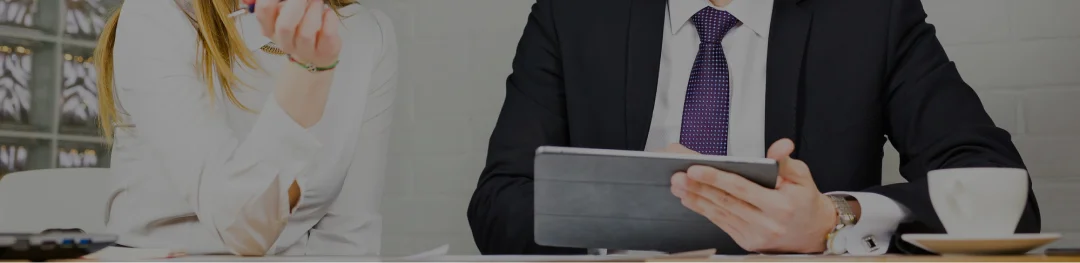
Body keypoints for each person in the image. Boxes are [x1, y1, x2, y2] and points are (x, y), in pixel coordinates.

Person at [468, 0, 1040, 255]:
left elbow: (998, 189)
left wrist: (835, 220)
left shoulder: (871, 13)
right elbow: (499, 204)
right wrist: (629, 217)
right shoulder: (573, 12)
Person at [96, 0, 397, 256]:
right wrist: (308, 73)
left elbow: (349, 241)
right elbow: (243, 227)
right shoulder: (157, 14)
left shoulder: (367, 32)